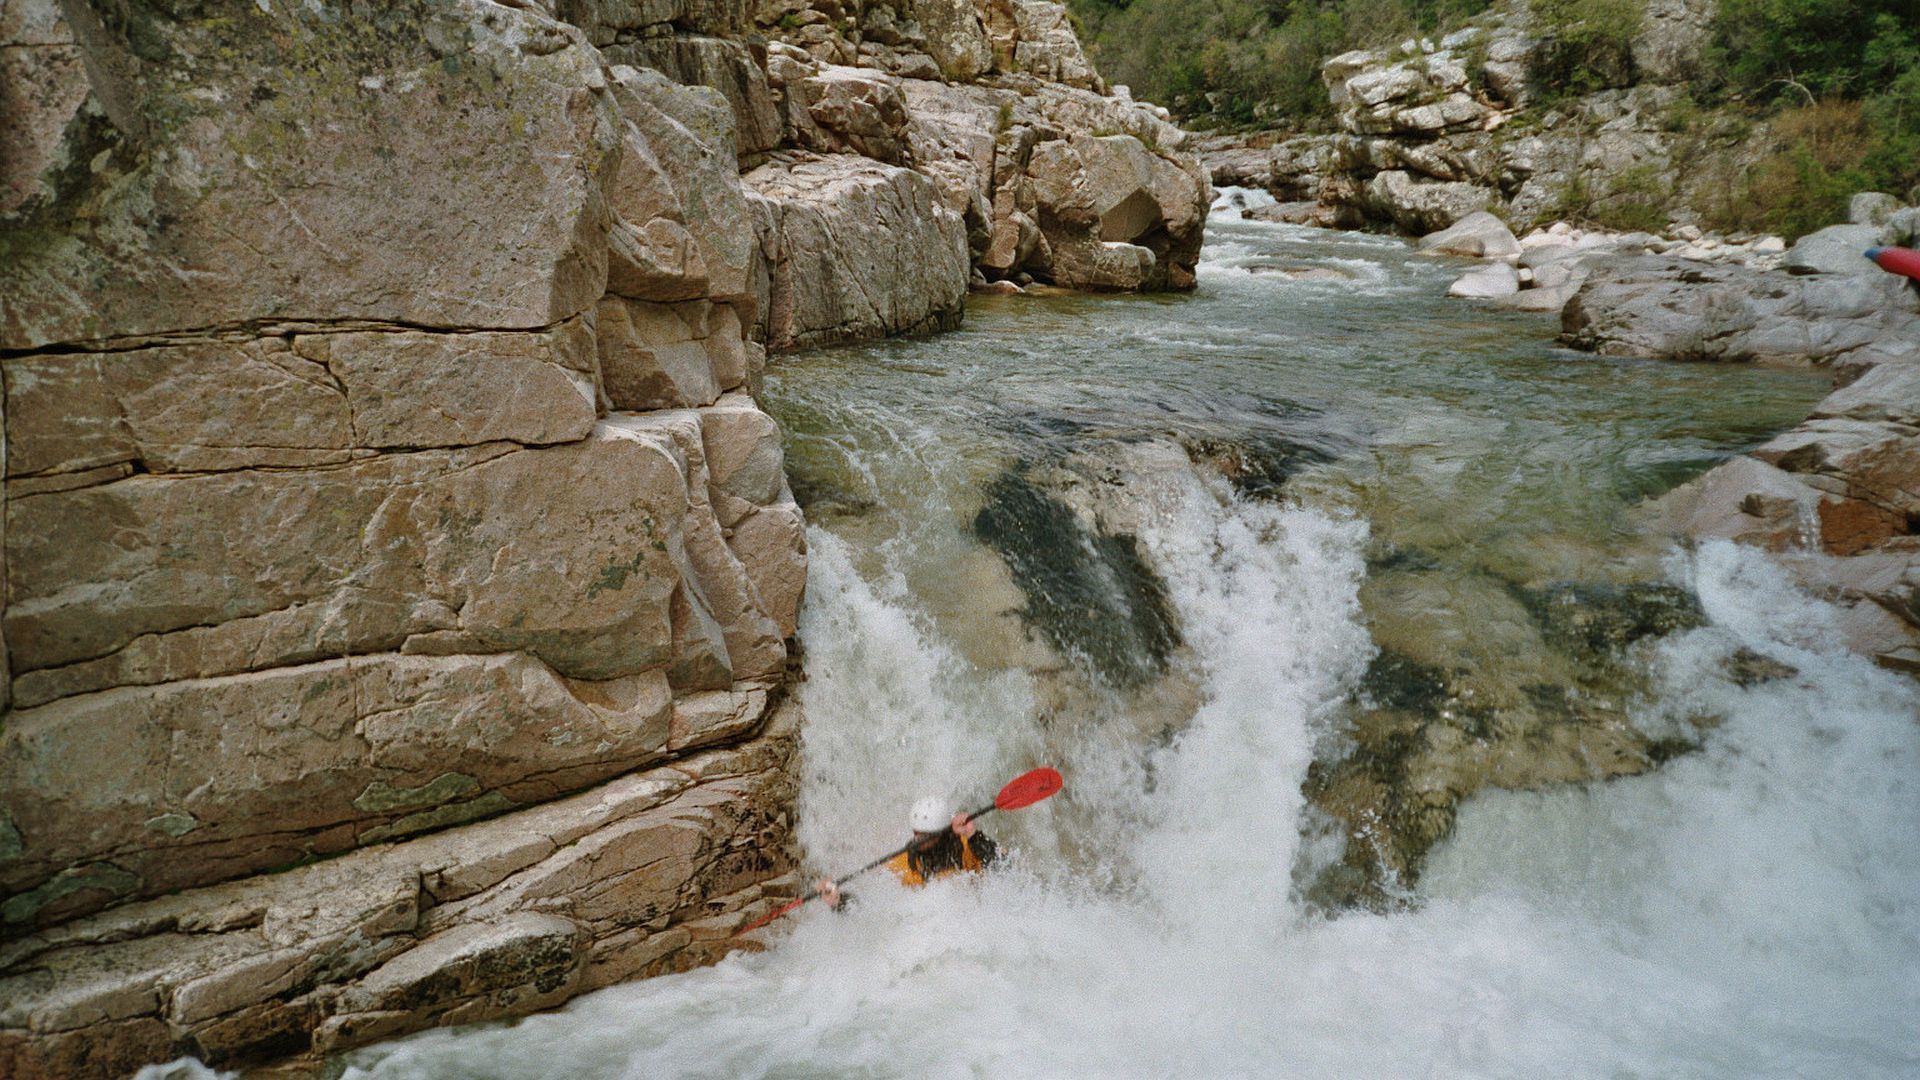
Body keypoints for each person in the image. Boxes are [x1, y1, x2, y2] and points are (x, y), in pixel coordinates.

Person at [816, 796, 998, 909]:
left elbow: (1003, 866)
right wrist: (839, 901)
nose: (918, 840)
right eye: (916, 833)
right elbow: (874, 910)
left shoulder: (968, 847)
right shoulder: (903, 862)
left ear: (942, 834)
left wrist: (974, 836)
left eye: (925, 835)